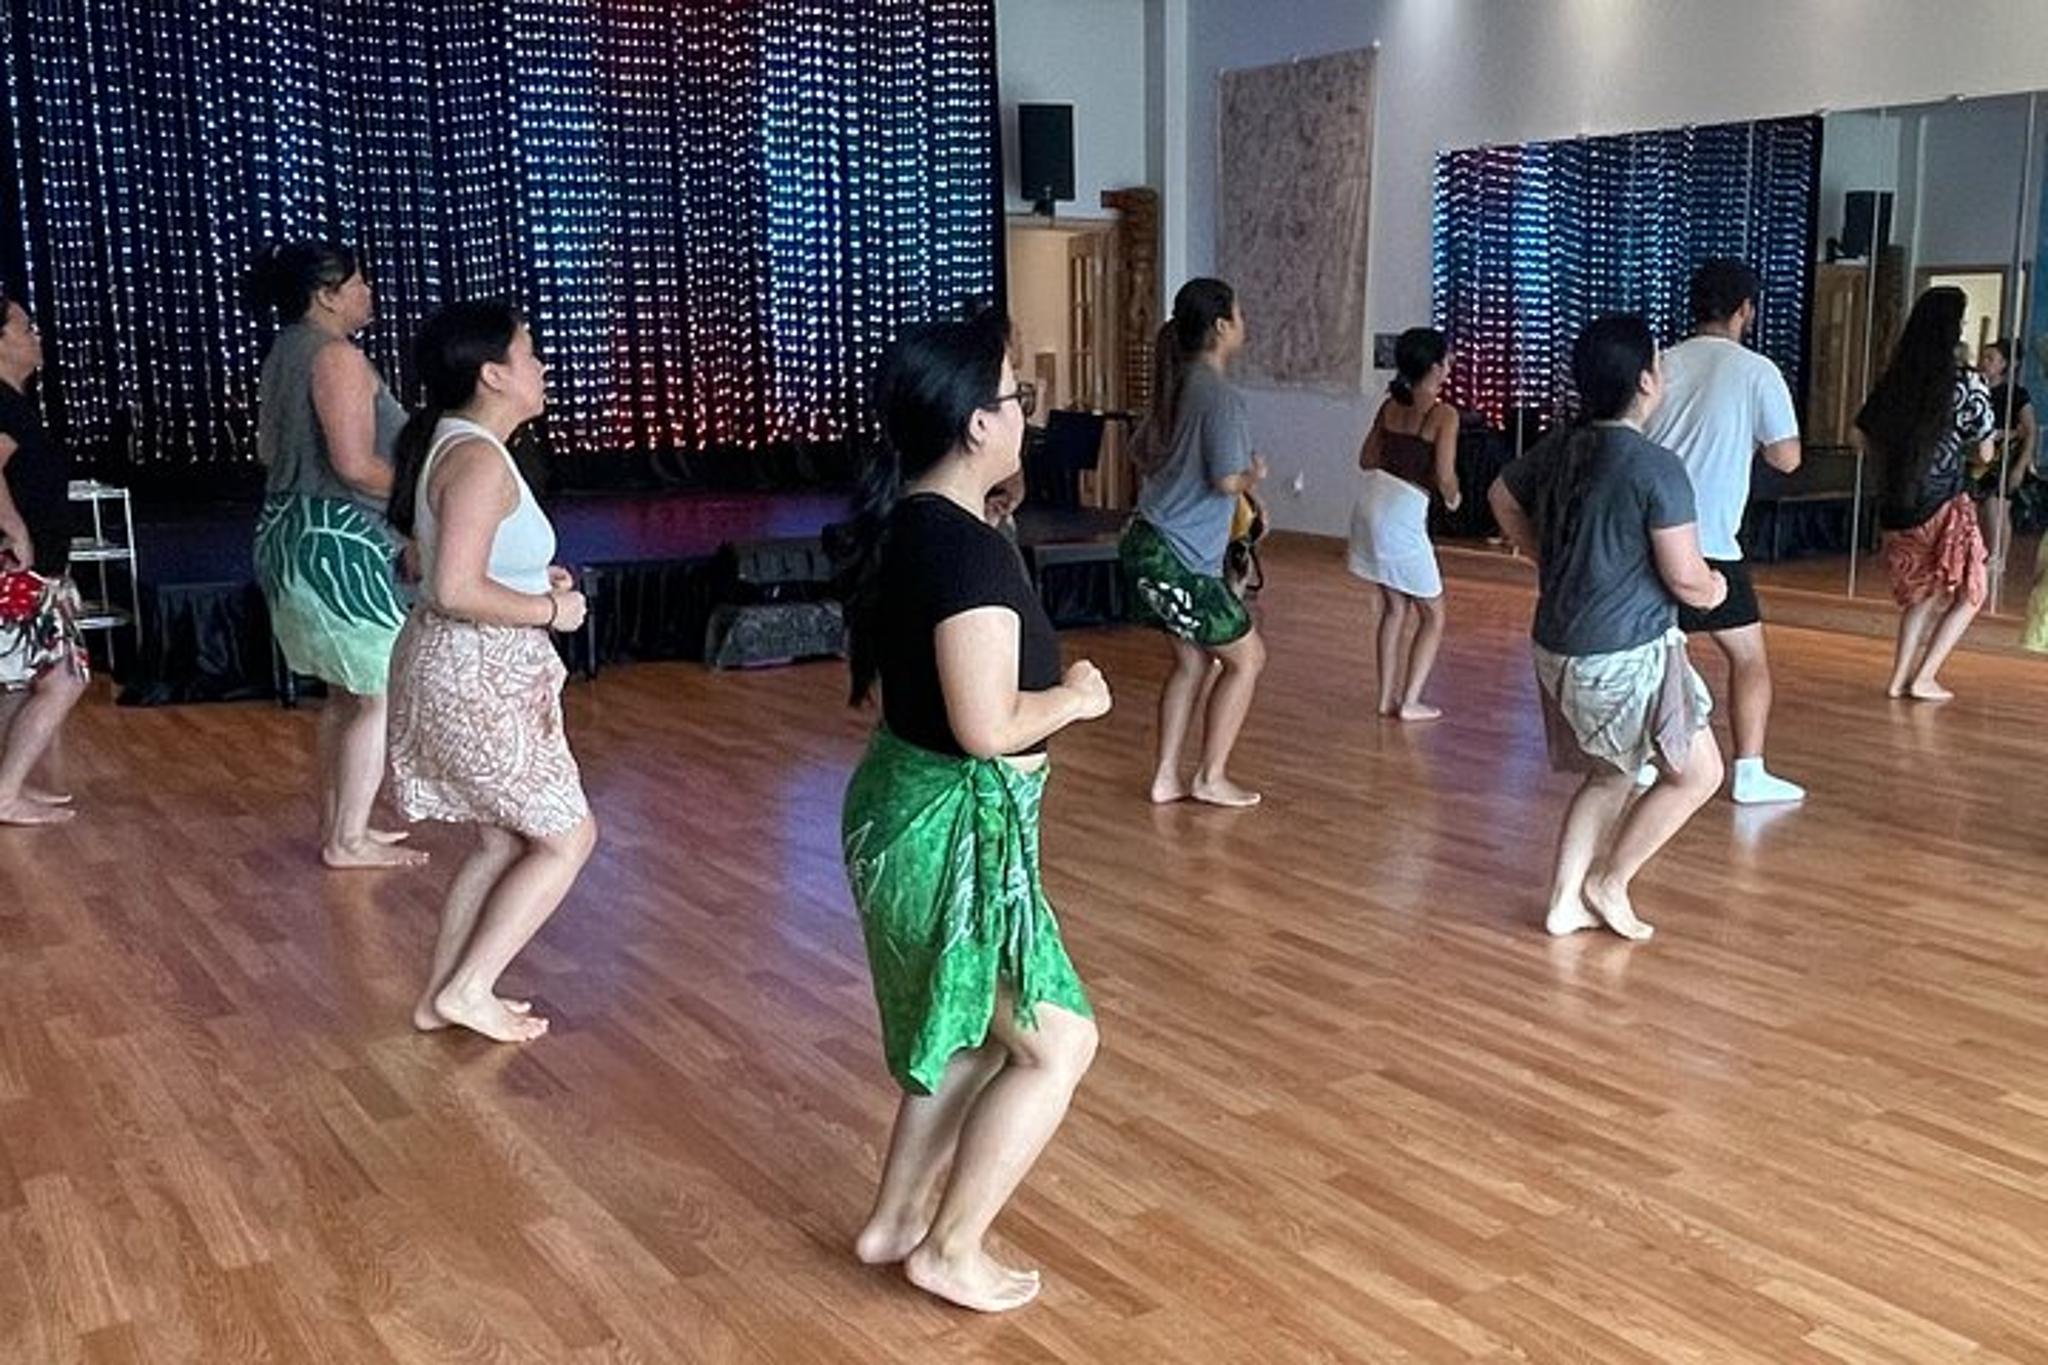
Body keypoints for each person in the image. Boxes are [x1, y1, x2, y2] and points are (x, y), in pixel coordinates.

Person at [837, 310, 1108, 1314]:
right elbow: (986, 725)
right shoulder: (963, 555)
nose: (1026, 414)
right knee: (1058, 1042)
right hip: (944, 833)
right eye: (1013, 397)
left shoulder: (921, 524)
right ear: (973, 423)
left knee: (972, 1031)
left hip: (915, 814)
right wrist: (1073, 698)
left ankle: (894, 1221)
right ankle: (950, 1248)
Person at [385, 301, 596, 1043]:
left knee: (505, 841)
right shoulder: (475, 457)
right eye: (529, 354)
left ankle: (440, 996)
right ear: (493, 375)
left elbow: (432, 560)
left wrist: (534, 577)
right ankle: (469, 988)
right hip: (476, 678)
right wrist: (549, 608)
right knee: (569, 838)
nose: (542, 367)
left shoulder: (461, 445)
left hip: (469, 670)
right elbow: (451, 586)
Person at [1489, 316, 1727, 942]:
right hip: (1621, 654)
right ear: (1646, 380)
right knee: (1699, 773)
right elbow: (1686, 580)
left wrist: (1545, 555)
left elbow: (1500, 497)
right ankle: (1609, 882)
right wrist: (1717, 588)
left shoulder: (1564, 446)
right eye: (1660, 363)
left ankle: (1564, 903)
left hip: (1561, 646)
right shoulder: (1655, 466)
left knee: (1612, 774)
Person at [242, 243, 423, 869]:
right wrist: (424, 497)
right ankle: (347, 840)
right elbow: (353, 464)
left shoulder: (285, 351)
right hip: (336, 543)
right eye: (359, 283)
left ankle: (343, 824)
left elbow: (271, 453)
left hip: (293, 532)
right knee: (374, 691)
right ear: (325, 294)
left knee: (347, 694)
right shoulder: (335, 355)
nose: (369, 293)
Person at [1641, 260, 1805, 804]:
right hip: (1708, 539)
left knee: (1652, 652)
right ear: (1745, 310)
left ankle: (1641, 760)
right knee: (1748, 657)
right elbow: (1786, 458)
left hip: (1646, 536)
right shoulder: (1757, 371)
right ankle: (1750, 771)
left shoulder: (1661, 363)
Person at [1119, 277, 1267, 807]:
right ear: (1222, 326)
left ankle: (1166, 778)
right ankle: (1210, 777)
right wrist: (1253, 474)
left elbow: (1140, 453)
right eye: (1239, 314)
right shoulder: (1219, 394)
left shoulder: (1176, 383)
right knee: (1248, 659)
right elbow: (1225, 479)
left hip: (1147, 542)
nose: (1244, 323)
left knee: (1194, 662)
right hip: (1176, 558)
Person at [1855, 287, 1996, 701]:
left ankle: (1899, 679)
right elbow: (1986, 451)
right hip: (1943, 505)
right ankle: (1925, 676)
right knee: (1972, 592)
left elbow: (1859, 434)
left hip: (1898, 506)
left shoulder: (1895, 381)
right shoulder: (1966, 382)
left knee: (1922, 592)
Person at [0, 292, 87, 826]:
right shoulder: (4, 404)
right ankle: (6, 793)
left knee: (19, 678)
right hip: (19, 570)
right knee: (65, 677)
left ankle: (8, 783)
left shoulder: (15, 402)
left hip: (32, 568)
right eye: (25, 328)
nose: (36, 336)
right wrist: (14, 530)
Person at [1347, 326, 1461, 720]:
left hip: (1371, 507)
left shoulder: (1388, 407)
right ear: (1436, 367)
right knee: (1434, 613)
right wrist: (1455, 498)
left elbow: (1366, 459)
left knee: (1395, 607)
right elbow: (1445, 476)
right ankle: (1410, 701)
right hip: (1401, 516)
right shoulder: (1444, 414)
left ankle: (1386, 699)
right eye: (1447, 358)